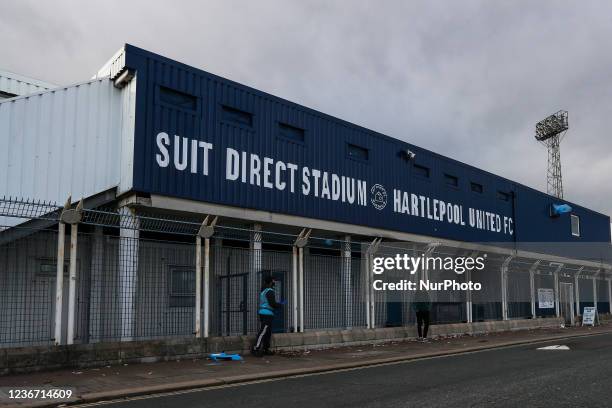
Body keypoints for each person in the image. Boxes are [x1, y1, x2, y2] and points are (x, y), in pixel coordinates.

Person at [252, 276, 282, 356]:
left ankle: (266, 349)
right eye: (273, 281)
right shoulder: (270, 291)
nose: (274, 282)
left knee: (267, 332)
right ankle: (256, 348)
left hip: (263, 313)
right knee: (263, 331)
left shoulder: (264, 291)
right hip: (267, 314)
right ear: (271, 282)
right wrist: (279, 305)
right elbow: (272, 303)